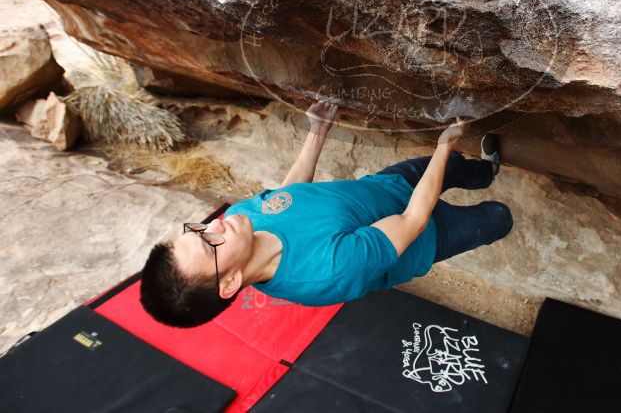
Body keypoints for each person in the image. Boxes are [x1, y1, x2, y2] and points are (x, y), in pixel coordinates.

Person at [140, 100, 514, 328]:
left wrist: (317, 133)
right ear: (229, 284)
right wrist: (443, 144)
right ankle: (478, 179)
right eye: (209, 243)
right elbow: (412, 220)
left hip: (385, 186)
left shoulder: (240, 222)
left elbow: (285, 198)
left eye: (199, 228)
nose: (215, 223)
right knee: (498, 217)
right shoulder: (325, 273)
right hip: (428, 236)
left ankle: (488, 171)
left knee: (460, 168)